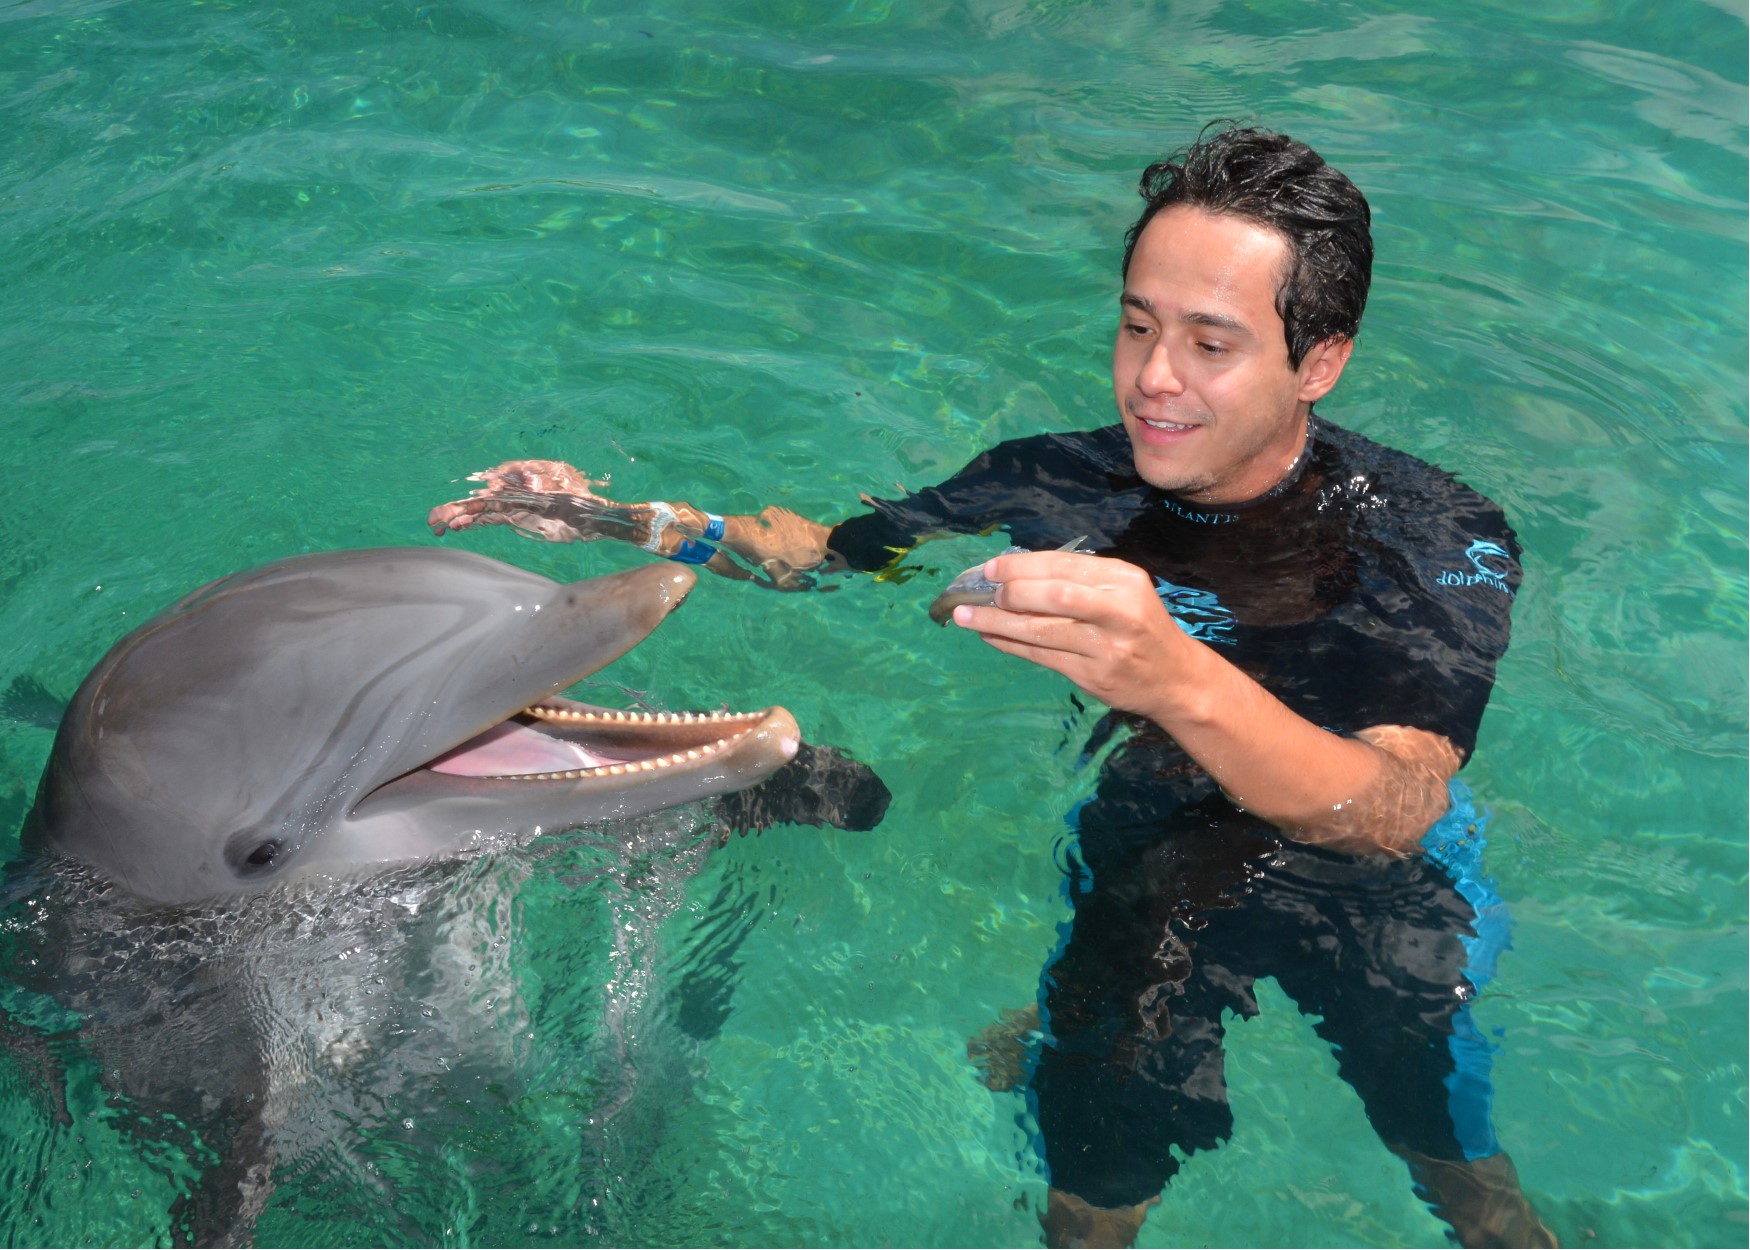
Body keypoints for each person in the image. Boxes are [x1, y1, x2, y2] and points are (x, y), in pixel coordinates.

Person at [429, 123, 1556, 1249]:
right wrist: (610, 517)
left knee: (1466, 1182)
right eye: (1135, 325)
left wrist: (1174, 676)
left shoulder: (1430, 532)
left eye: (1211, 344)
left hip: (1379, 901)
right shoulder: (1052, 478)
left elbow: (1394, 805)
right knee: (1086, 1196)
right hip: (1148, 870)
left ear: (1319, 361)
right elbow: (820, 556)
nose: (1152, 380)